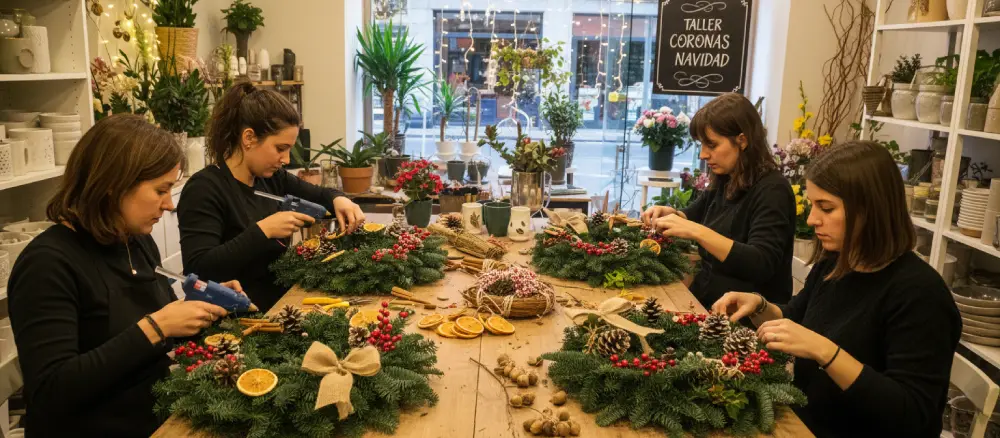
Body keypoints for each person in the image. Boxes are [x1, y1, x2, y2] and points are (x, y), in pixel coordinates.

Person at [7, 115, 238, 437]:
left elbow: (156, 333)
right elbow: (51, 390)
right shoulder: (47, 264)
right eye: (161, 190)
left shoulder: (135, 240)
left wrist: (200, 308)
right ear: (114, 186)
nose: (169, 204)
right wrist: (156, 327)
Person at [712, 141, 961, 437]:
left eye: (826, 208)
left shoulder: (921, 295)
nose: (811, 219)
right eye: (813, 204)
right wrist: (760, 306)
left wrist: (824, 351)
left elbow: (912, 416)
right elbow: (797, 316)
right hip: (800, 422)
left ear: (871, 209)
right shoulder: (836, 263)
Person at [178, 83, 366, 311]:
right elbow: (199, 269)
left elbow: (321, 195)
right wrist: (262, 231)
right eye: (280, 148)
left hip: (282, 304)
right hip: (233, 319)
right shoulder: (204, 189)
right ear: (249, 138)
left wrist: (340, 199)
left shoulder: (272, 178)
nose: (286, 159)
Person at [642, 93, 796, 307]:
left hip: (744, 322)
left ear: (742, 140)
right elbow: (697, 211)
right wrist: (673, 215)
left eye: (712, 145)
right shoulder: (728, 177)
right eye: (702, 145)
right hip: (706, 303)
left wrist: (696, 231)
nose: (703, 155)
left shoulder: (773, 190)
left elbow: (761, 263)